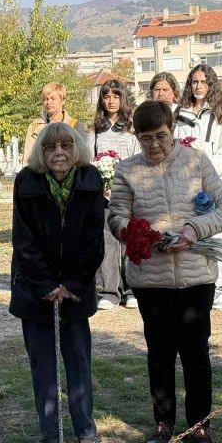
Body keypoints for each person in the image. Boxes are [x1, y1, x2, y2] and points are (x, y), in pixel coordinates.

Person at [108, 100, 222, 443]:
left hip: (196, 277)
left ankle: (200, 426)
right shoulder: (127, 170)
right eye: (146, 138)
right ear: (137, 137)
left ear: (172, 131)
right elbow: (116, 218)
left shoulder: (197, 162)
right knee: (160, 353)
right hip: (151, 279)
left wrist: (195, 229)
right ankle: (164, 423)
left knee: (196, 354)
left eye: (161, 136)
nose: (154, 145)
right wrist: (139, 234)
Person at [10, 122, 106, 443]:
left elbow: (94, 241)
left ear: (76, 148)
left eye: (65, 145)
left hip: (75, 292)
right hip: (36, 291)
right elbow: (23, 240)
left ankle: (86, 433)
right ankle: (50, 434)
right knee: (44, 368)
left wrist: (73, 285)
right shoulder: (26, 182)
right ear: (41, 152)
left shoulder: (90, 180)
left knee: (78, 363)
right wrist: (47, 285)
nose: (59, 153)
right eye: (50, 148)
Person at [174, 64, 222, 309]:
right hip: (186, 183)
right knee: (190, 231)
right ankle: (196, 284)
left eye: (203, 82)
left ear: (212, 84)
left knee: (218, 233)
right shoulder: (180, 114)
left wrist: (205, 168)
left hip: (216, 183)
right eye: (194, 81)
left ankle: (220, 286)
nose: (198, 86)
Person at [86, 79, 139, 311]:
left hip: (129, 192)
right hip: (104, 195)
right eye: (106, 96)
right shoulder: (96, 129)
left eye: (116, 96)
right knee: (107, 242)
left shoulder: (132, 127)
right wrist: (102, 184)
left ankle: (131, 289)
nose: (111, 101)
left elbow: (138, 157)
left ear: (122, 98)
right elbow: (89, 159)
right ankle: (110, 291)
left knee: (129, 240)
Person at [23, 82, 87, 164]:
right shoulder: (34, 127)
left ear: (63, 101)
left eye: (53, 99)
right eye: (46, 99)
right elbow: (28, 159)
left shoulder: (75, 126)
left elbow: (82, 158)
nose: (48, 102)